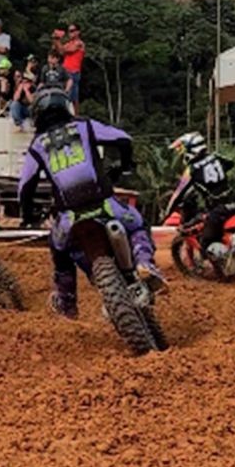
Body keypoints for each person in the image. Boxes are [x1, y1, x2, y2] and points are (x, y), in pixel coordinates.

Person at [18, 88, 163, 319]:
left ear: (37, 114)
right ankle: (145, 262)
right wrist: (125, 166)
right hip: (105, 204)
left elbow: (25, 186)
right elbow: (123, 139)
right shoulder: (84, 126)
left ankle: (67, 302)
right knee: (137, 224)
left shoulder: (37, 145)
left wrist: (28, 215)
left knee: (59, 252)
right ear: (66, 106)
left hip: (69, 217)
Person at [165, 132, 235, 265]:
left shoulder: (192, 169)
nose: (181, 153)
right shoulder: (215, 157)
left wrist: (167, 212)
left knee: (206, 241)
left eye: (182, 149)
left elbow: (178, 194)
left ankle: (227, 260)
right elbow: (230, 164)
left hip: (219, 209)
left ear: (191, 149)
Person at [59, 24, 85, 112]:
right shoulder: (69, 43)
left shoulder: (79, 43)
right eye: (69, 31)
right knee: (64, 94)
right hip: (65, 71)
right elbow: (60, 51)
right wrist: (56, 39)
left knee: (73, 97)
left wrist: (60, 41)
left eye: (73, 31)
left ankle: (75, 115)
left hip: (73, 72)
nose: (70, 33)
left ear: (78, 32)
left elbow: (69, 50)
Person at [10, 63, 37, 131]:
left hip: (30, 110)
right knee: (14, 104)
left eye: (27, 81)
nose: (25, 83)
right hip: (21, 109)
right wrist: (20, 88)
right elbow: (15, 99)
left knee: (33, 107)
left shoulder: (34, 88)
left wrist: (27, 90)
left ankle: (33, 123)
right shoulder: (19, 87)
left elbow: (32, 101)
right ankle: (18, 124)